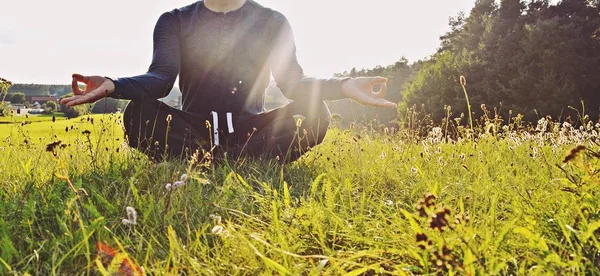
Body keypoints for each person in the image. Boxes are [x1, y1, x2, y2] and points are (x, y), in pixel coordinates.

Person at [61, 0, 397, 162]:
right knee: (138, 113)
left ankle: (233, 160)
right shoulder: (174, 21)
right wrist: (113, 84)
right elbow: (160, 80)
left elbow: (293, 83)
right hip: (191, 128)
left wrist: (343, 86)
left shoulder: (272, 22)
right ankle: (206, 158)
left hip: (253, 129)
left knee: (316, 112)